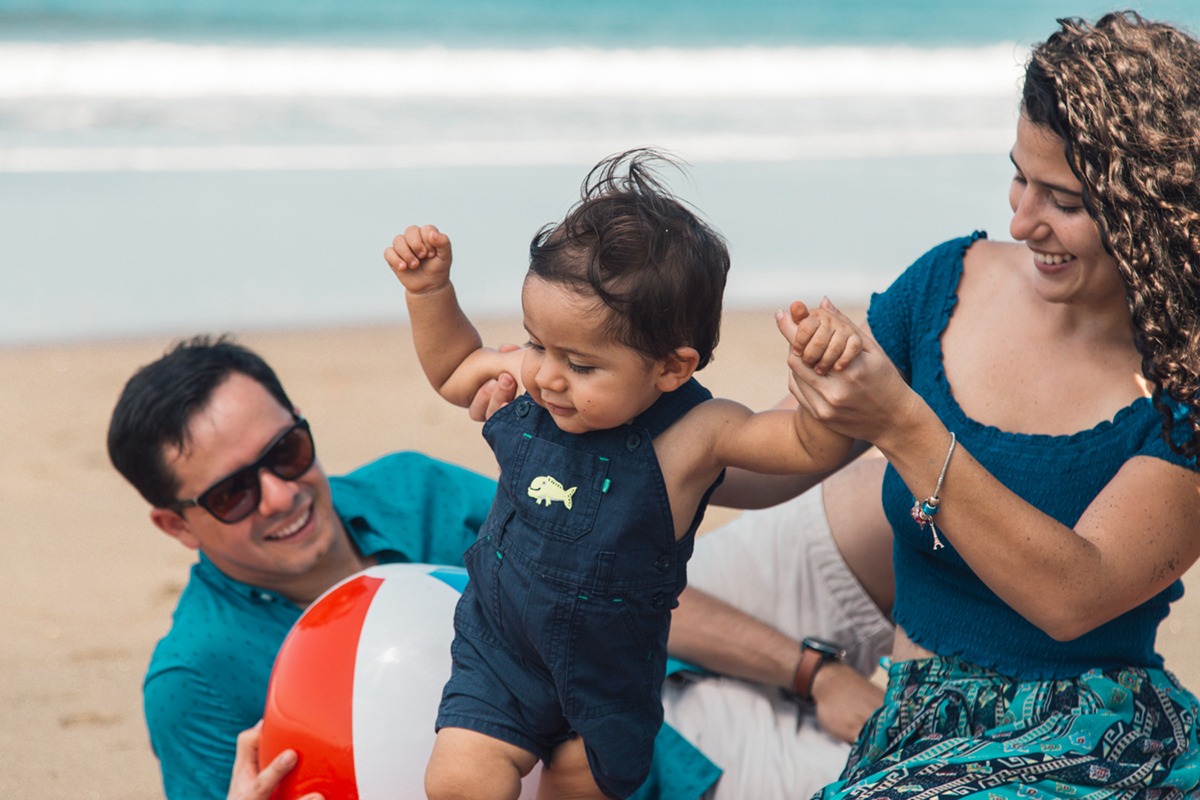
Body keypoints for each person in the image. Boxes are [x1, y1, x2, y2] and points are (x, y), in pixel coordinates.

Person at [773, 11, 1200, 799]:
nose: (1021, 219)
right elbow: (781, 453)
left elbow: (1074, 596)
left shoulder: (1187, 384)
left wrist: (901, 424)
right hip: (915, 725)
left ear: (1148, 209)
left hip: (1094, 736)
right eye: (1019, 177)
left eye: (1063, 200)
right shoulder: (945, 282)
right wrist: (633, 409)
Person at [384, 150, 864, 800]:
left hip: (609, 678)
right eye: (537, 343)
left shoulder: (698, 432)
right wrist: (430, 292)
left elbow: (806, 446)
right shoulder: (537, 375)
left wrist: (828, 373)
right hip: (505, 648)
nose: (547, 375)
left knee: (581, 784)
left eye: (581, 365)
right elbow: (454, 368)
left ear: (671, 368)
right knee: (458, 780)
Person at [107, 336, 500, 800]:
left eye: (285, 450)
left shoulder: (423, 495)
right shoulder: (195, 680)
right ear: (177, 525)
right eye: (232, 493)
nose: (281, 496)